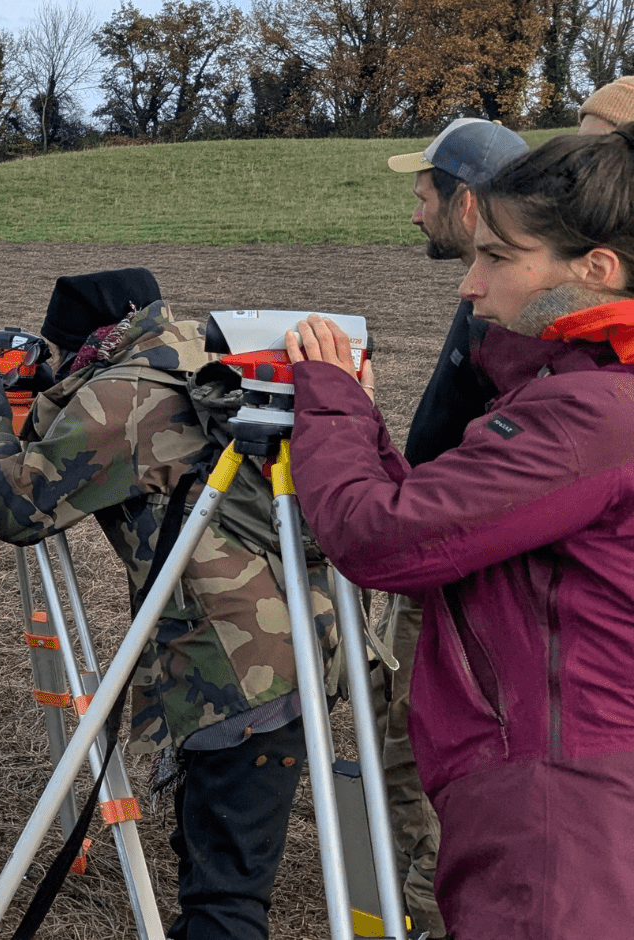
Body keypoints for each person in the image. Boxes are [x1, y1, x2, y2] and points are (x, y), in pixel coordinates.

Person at [288, 124, 634, 937]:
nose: (469, 286)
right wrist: (367, 426)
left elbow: (379, 538)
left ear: (596, 270)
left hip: (557, 808)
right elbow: (463, 515)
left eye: (499, 258)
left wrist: (332, 400)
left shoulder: (593, 415)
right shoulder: (587, 391)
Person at [0, 269, 336, 940]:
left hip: (234, 671)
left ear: (79, 343)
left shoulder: (119, 395)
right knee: (216, 859)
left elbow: (18, 508)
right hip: (299, 640)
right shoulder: (198, 354)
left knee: (224, 898)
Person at [380, 117, 528, 937]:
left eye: (424, 193)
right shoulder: (503, 289)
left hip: (459, 570)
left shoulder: (514, 307)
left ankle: (434, 914)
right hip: (451, 554)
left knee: (424, 747)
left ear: (467, 202)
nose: (415, 213)